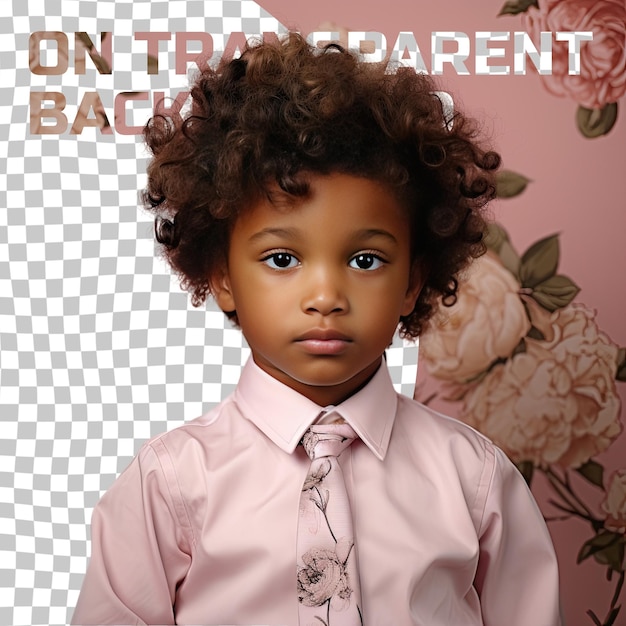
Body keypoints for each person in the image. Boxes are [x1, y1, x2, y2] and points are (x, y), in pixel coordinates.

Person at [71, 32, 561, 625]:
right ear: (222, 276)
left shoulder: (475, 481)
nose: (326, 297)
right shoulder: (170, 484)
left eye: (365, 260)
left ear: (412, 281)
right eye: (282, 259)